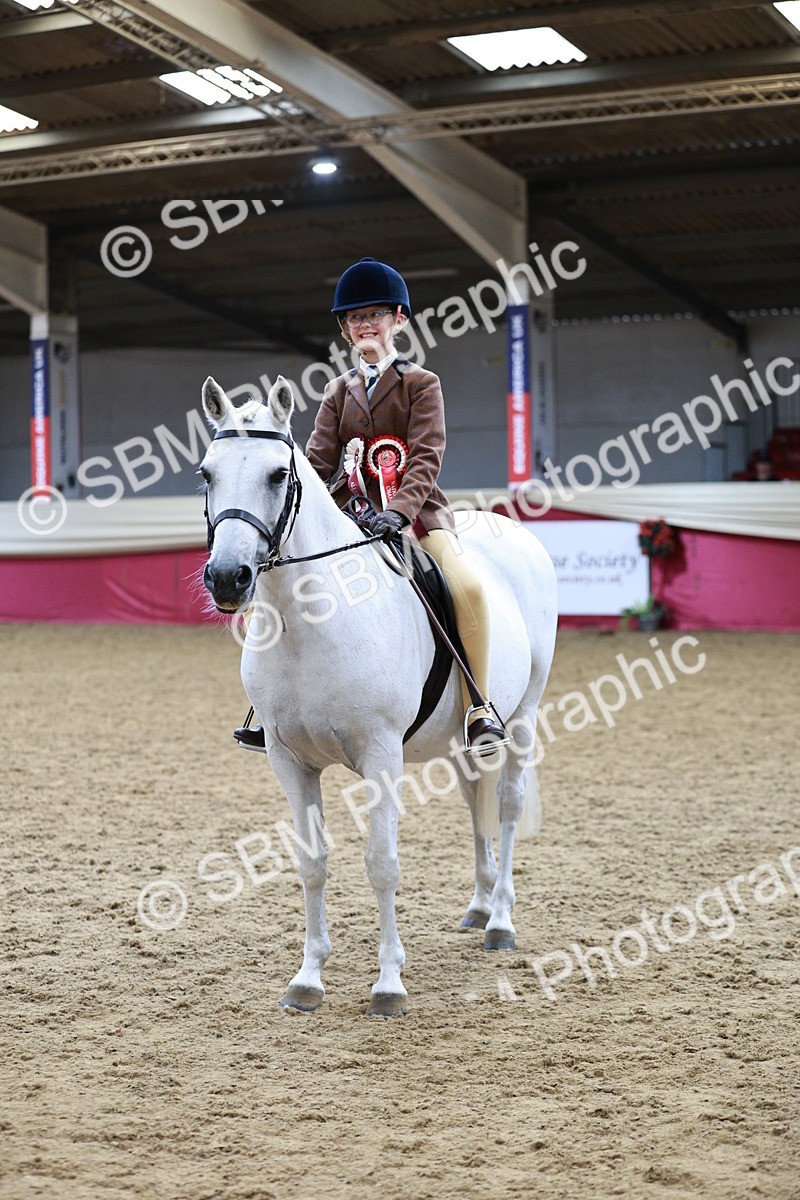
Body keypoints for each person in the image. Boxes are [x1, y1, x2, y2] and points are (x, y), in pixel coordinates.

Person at [234, 256, 508, 754]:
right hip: (348, 516)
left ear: (398, 320)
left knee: (465, 587)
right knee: (279, 585)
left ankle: (478, 705)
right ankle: (267, 706)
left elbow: (427, 456)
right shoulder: (338, 391)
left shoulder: (422, 384)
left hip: (415, 514)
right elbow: (316, 462)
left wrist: (400, 511)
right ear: (345, 329)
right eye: (355, 318)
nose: (365, 325)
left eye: (375, 315)